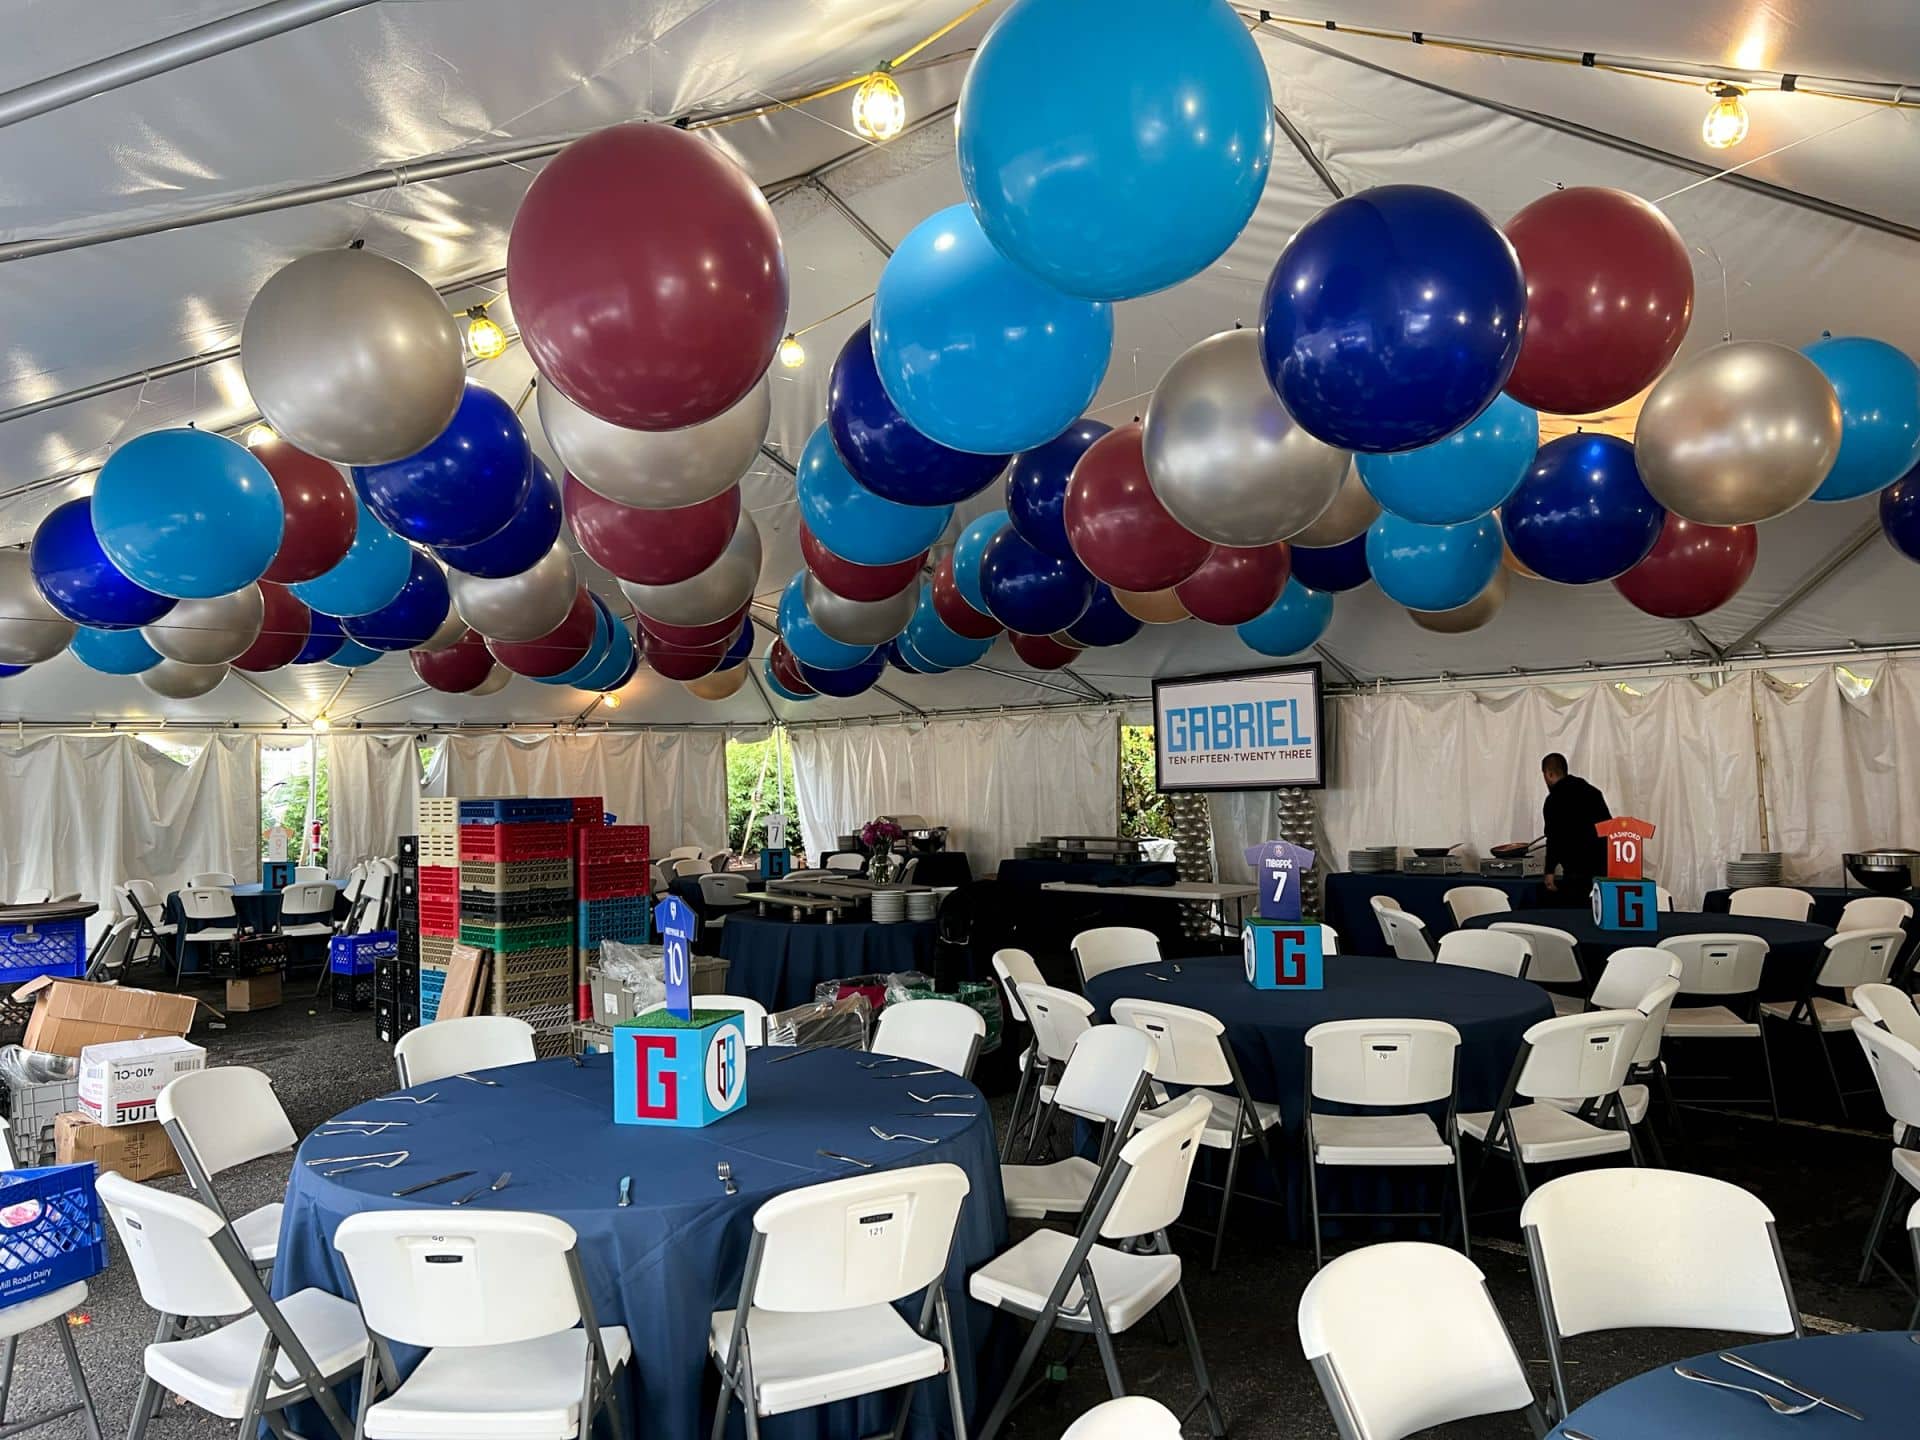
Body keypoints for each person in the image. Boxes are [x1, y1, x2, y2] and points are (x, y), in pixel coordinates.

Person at [1540, 753, 1609, 902]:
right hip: (1602, 869)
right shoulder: (1594, 793)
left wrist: (1549, 871)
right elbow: (1607, 829)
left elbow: (1553, 838)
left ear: (1549, 774)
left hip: (1575, 873)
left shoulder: (1553, 800)